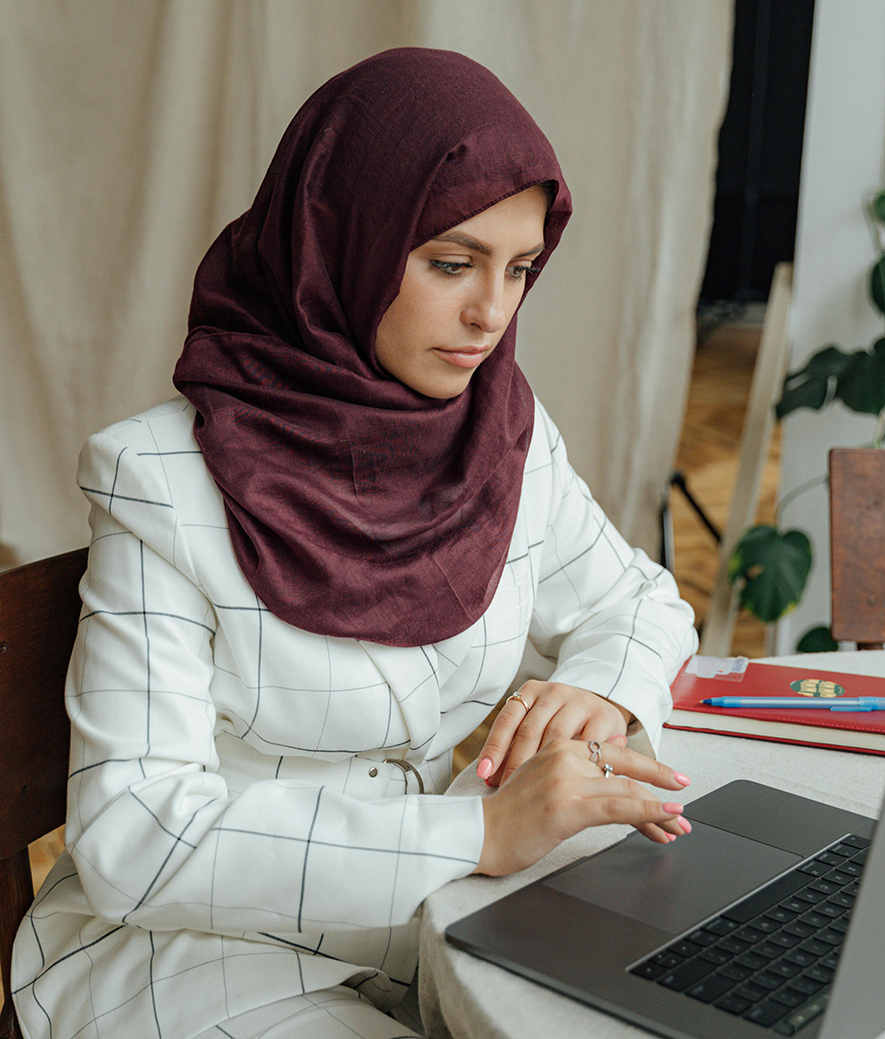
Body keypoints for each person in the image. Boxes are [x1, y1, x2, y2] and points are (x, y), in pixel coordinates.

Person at [12, 48, 698, 1039]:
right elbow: (135, 837)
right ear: (340, 241)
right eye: (451, 264)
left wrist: (596, 693)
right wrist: (478, 830)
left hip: (432, 928)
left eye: (518, 269)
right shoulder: (159, 479)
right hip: (197, 959)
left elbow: (639, 603)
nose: (489, 314)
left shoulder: (499, 431)